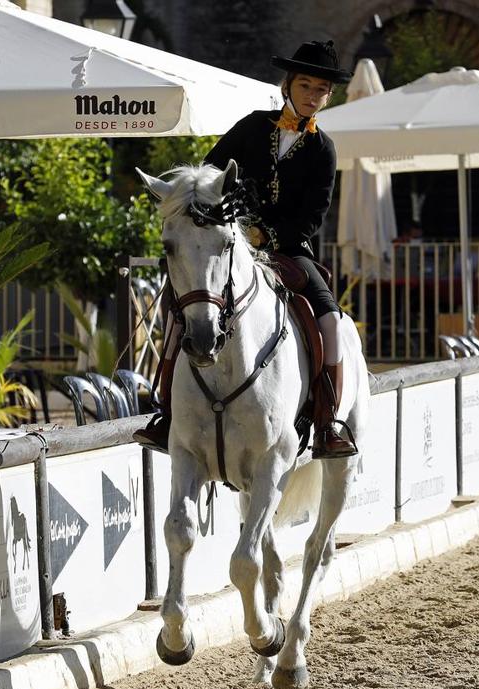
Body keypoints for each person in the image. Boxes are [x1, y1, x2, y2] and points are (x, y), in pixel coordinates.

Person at [134, 39, 357, 458]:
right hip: (226, 246)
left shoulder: (324, 148)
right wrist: (229, 221)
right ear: (288, 85)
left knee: (329, 322)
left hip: (290, 251)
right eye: (306, 85)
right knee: (177, 308)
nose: (313, 96)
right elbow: (206, 175)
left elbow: (314, 215)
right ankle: (166, 413)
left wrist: (266, 238)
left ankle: (328, 424)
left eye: (321, 90)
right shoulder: (253, 126)